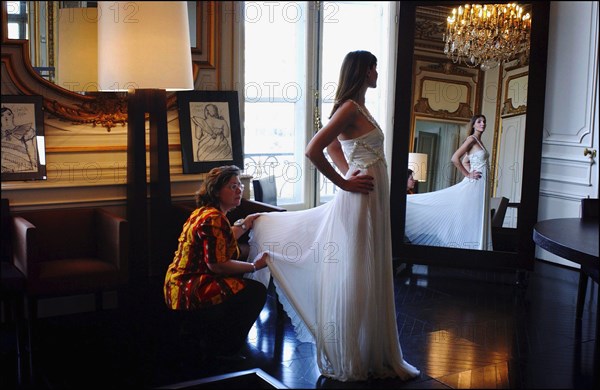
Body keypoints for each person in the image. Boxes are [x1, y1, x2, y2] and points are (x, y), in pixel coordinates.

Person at [246, 50, 420, 382]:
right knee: (356, 268)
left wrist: (348, 170)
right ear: (365, 71)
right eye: (375, 68)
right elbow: (314, 148)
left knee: (368, 266)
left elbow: (336, 148)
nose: (378, 73)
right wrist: (344, 181)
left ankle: (372, 351)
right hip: (361, 198)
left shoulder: (359, 107)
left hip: (371, 195)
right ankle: (350, 353)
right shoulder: (350, 109)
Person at [163, 165, 269, 359]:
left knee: (245, 287)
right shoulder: (214, 218)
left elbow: (222, 239)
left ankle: (210, 338)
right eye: (232, 186)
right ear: (216, 191)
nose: (239, 190)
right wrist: (255, 266)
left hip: (177, 284)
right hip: (191, 287)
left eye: (239, 185)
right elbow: (217, 265)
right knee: (256, 292)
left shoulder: (204, 212)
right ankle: (224, 349)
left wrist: (245, 223)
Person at [405, 114, 493, 250]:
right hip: (475, 184)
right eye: (479, 122)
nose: (483, 124)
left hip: (482, 184)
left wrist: (471, 169)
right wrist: (468, 174)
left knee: (475, 215)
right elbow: (455, 158)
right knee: (468, 213)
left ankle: (478, 248)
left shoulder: (479, 141)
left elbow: (465, 160)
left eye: (484, 122)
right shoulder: (471, 139)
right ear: (473, 124)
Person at [1, 106, 38, 173]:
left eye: (8, 114)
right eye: (2, 115)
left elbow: (30, 146)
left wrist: (33, 159)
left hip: (22, 164)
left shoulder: (24, 129)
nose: (6, 117)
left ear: (12, 116)